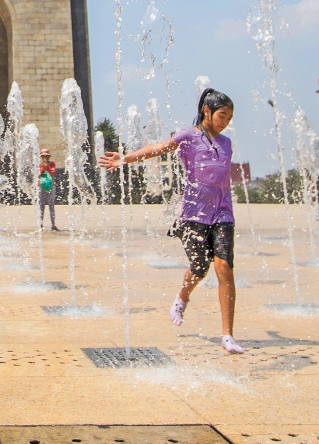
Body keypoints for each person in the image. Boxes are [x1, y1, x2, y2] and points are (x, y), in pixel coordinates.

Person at [99, 86, 244, 355]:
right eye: (222, 116)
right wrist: (126, 159)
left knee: (224, 267)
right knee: (200, 268)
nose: (225, 122)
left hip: (223, 213)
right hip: (193, 215)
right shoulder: (188, 136)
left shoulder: (226, 143)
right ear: (206, 111)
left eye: (229, 118)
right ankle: (182, 297)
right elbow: (159, 148)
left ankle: (227, 335)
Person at [38, 149, 60, 231]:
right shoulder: (40, 165)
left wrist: (47, 167)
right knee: (41, 206)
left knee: (51, 205)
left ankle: (53, 224)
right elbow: (39, 175)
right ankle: (40, 224)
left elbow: (52, 172)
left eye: (46, 156)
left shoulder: (52, 164)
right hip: (41, 186)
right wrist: (43, 168)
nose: (45, 157)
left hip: (51, 186)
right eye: (43, 156)